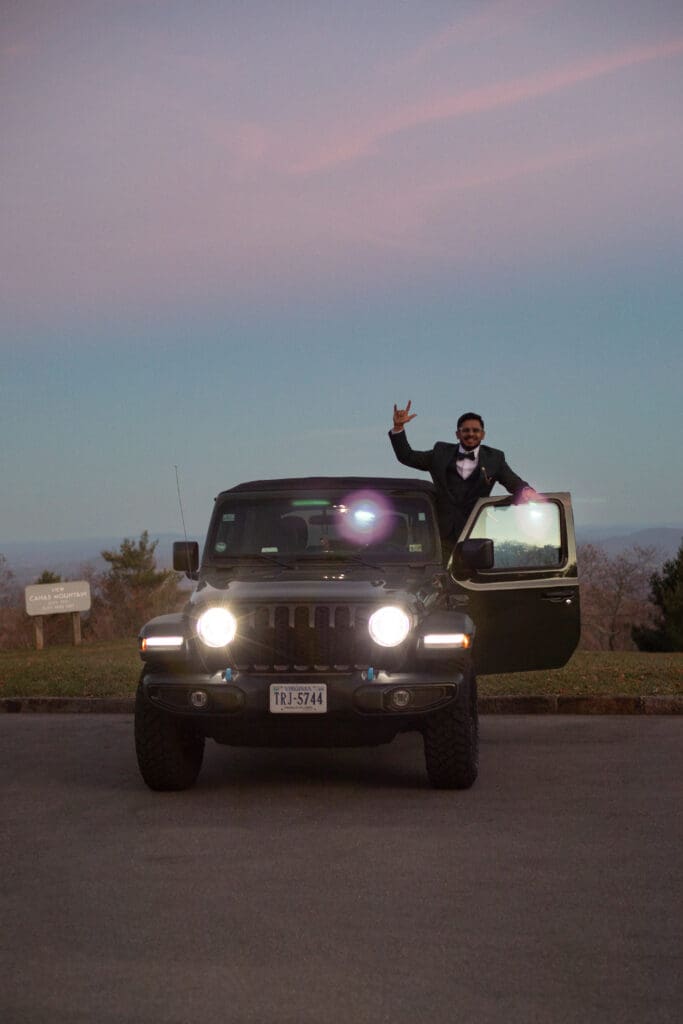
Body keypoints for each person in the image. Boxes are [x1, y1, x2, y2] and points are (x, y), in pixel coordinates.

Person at [389, 400, 540, 547]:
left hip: (474, 534)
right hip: (439, 535)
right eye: (465, 430)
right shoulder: (440, 453)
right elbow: (406, 456)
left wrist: (527, 491)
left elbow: (513, 482)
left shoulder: (494, 458)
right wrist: (398, 427)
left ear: (483, 434)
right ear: (457, 434)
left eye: (476, 430)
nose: (471, 434)